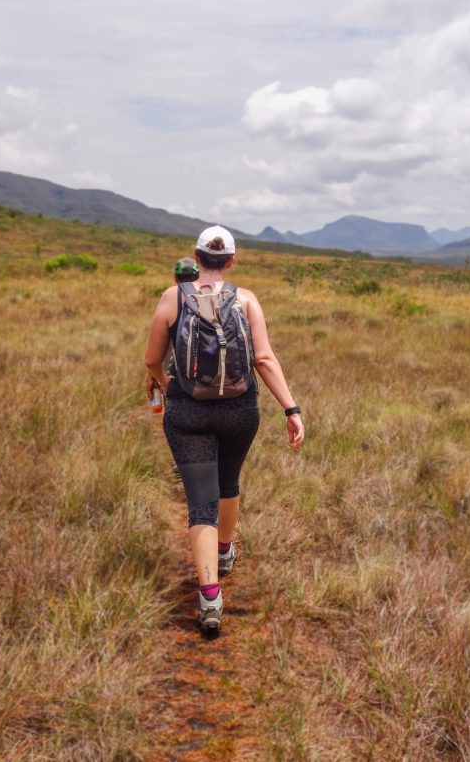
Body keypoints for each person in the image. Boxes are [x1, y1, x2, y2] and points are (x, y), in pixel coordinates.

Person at [144, 225, 304, 634]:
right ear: (231, 261)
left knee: (201, 503)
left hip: (188, 413)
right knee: (228, 482)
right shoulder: (246, 299)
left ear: (196, 257)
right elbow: (263, 359)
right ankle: (224, 550)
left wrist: (166, 385)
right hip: (239, 410)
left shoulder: (172, 297)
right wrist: (291, 409)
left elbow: (151, 360)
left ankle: (210, 596)